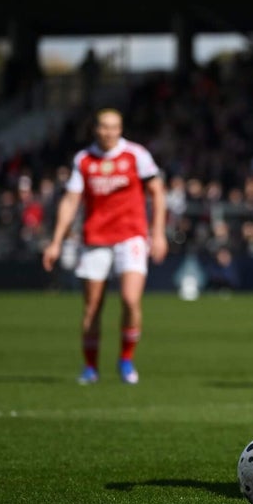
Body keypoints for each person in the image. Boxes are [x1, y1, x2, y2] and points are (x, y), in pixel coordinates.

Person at [42, 108, 168, 385]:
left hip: (131, 236)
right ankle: (90, 367)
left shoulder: (136, 154)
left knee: (130, 300)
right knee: (92, 308)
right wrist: (55, 242)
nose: (109, 132)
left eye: (114, 127)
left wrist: (158, 233)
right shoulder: (84, 159)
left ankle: (126, 360)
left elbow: (157, 192)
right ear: (95, 129)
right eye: (104, 127)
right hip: (95, 238)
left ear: (120, 129)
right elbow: (71, 201)